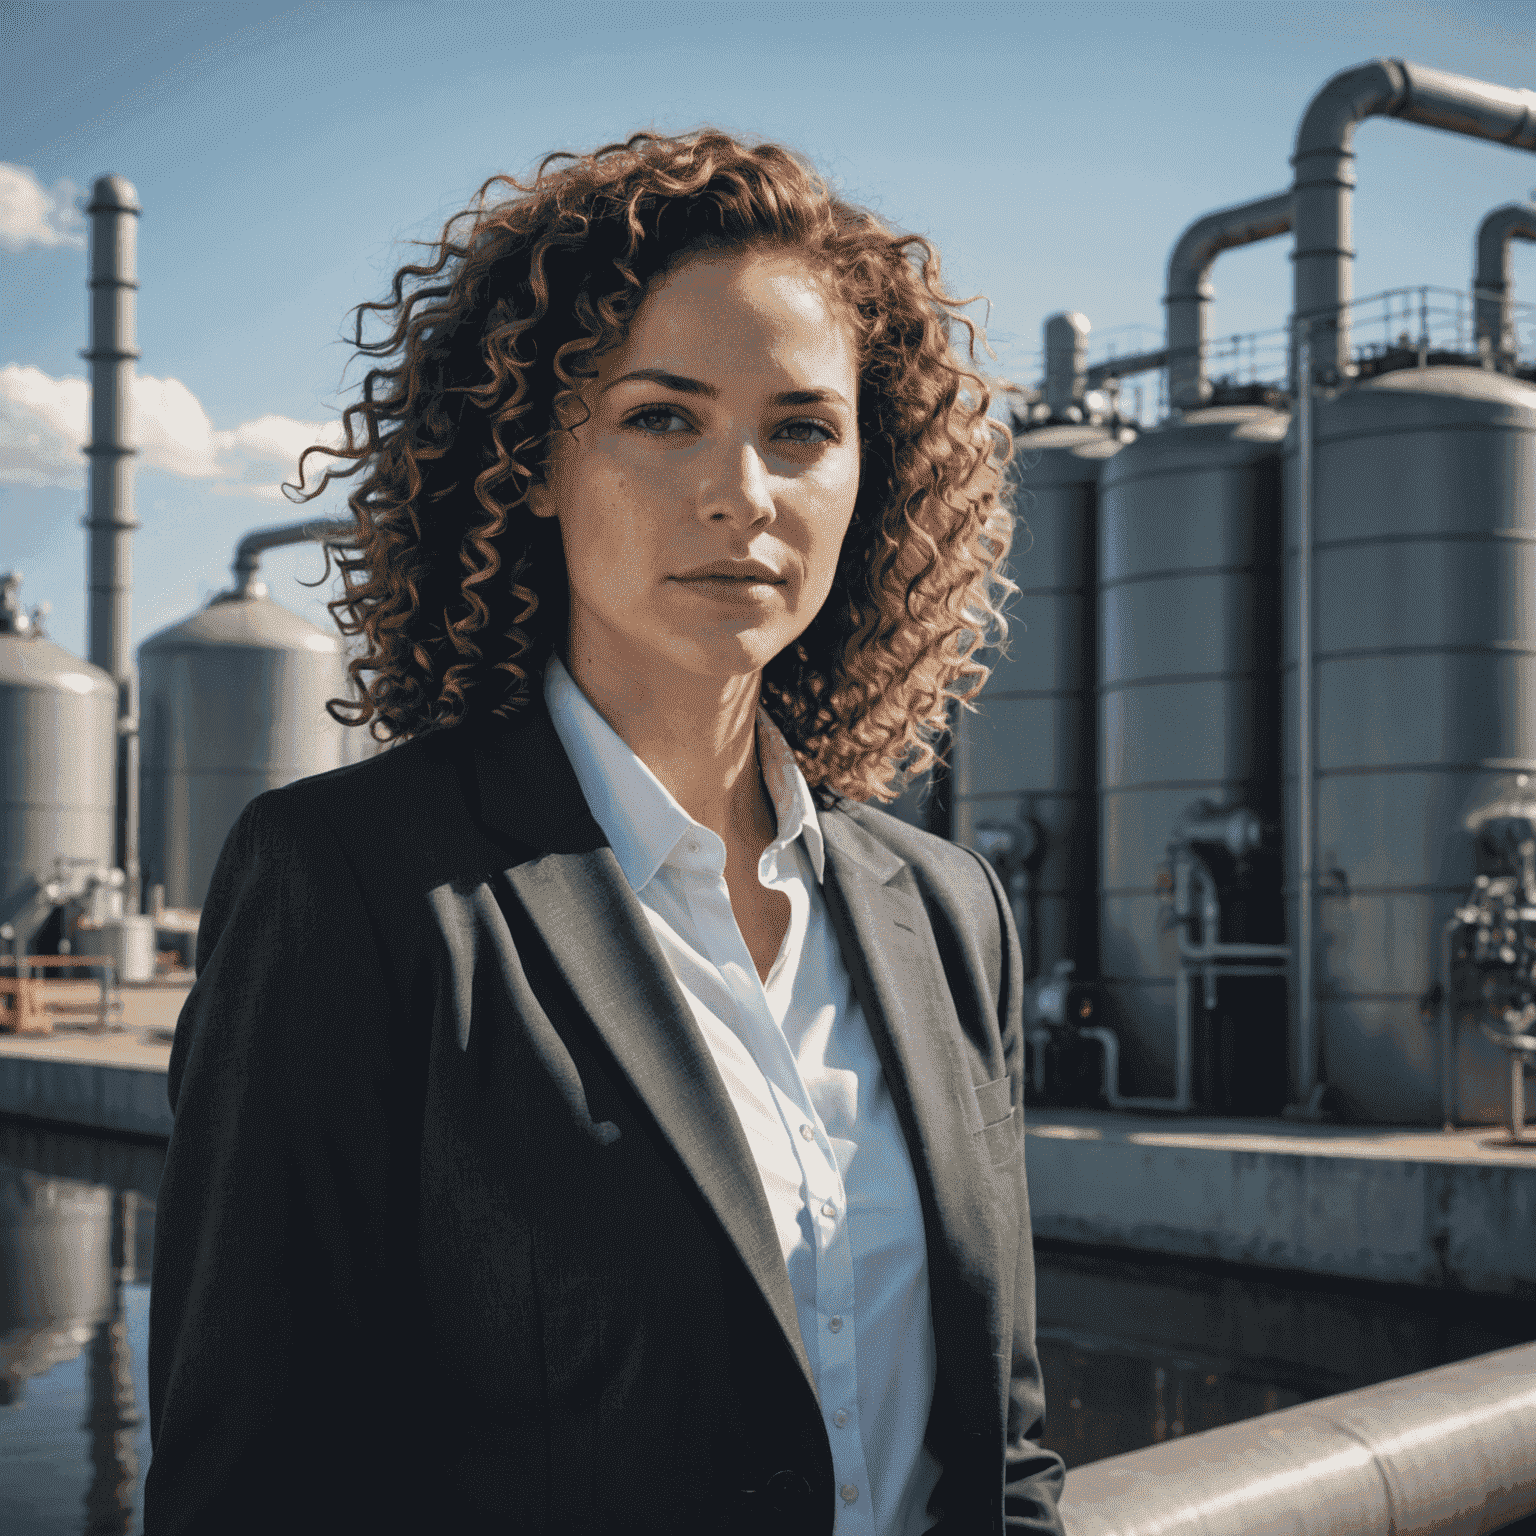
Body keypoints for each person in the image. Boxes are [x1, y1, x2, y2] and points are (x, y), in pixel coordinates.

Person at [145, 129, 1066, 1536]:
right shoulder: (354, 886)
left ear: (866, 478)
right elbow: (249, 1489)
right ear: (535, 461)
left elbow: (1002, 1455)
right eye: (662, 415)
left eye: (801, 430)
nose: (741, 494)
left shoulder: (945, 910)